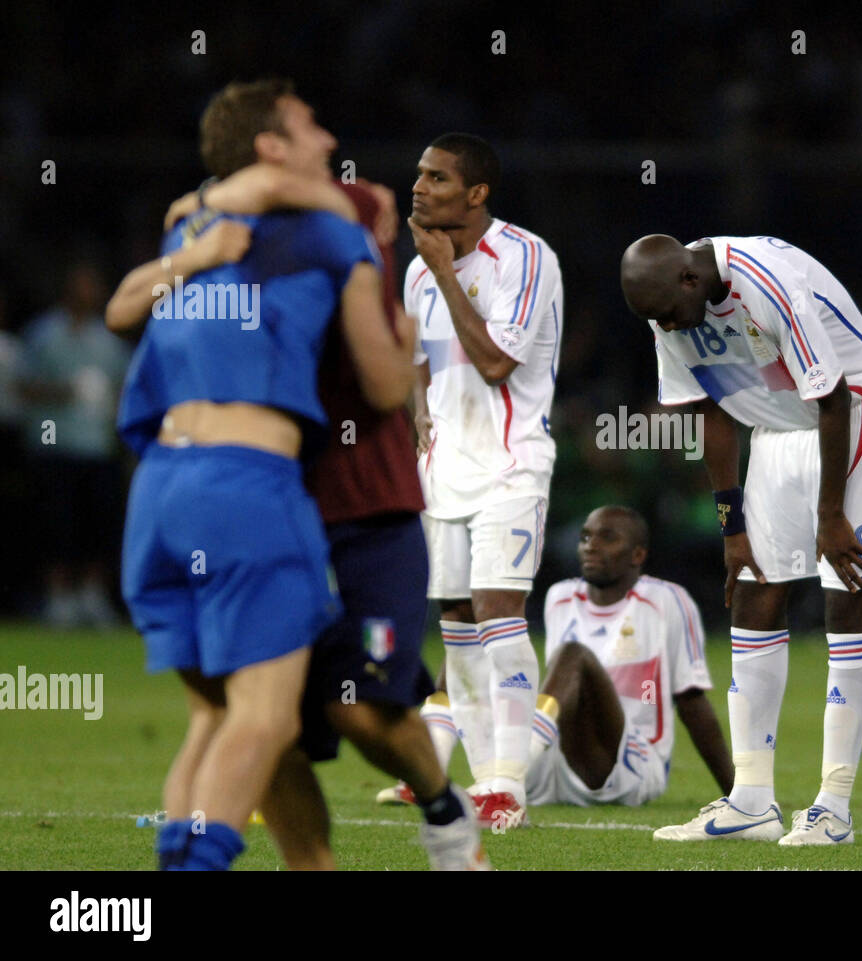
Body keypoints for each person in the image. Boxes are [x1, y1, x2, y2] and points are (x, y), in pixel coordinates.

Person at [106, 79, 477, 870]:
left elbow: (120, 307)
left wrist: (195, 235)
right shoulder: (335, 227)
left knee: (215, 718)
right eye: (309, 126)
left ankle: (434, 820)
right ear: (273, 147)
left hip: (159, 491)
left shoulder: (200, 224)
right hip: (248, 489)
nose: (326, 138)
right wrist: (403, 328)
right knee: (266, 722)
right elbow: (382, 388)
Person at [619, 233, 862, 845]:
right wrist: (732, 528)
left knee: (845, 592)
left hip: (856, 413)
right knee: (753, 590)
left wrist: (831, 516)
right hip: (773, 429)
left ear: (690, 281)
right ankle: (750, 800)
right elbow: (709, 410)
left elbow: (831, 398)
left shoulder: (769, 282)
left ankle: (833, 809)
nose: (665, 327)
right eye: (655, 320)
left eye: (668, 314)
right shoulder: (666, 306)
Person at [403, 133, 563, 828]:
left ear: (476, 194)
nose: (418, 187)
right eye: (418, 175)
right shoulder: (415, 272)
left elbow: (497, 362)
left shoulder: (525, 258)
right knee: (456, 624)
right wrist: (419, 424)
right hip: (443, 471)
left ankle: (508, 783)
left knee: (499, 612)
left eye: (437, 178)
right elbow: (417, 359)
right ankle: (476, 779)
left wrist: (444, 273)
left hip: (511, 462)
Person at [386, 505, 732, 809]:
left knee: (573, 655)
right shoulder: (560, 597)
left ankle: (509, 780)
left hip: (628, 764)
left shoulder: (666, 600)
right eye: (585, 537)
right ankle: (426, 777)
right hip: (550, 755)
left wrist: (735, 791)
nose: (590, 546)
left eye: (607, 538)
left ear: (637, 555)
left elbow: (690, 699)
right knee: (470, 642)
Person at [19, 260, 131, 627]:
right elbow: (23, 387)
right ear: (69, 289)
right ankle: (59, 598)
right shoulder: (43, 334)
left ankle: (92, 597)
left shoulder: (109, 341)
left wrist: (110, 403)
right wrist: (67, 390)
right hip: (54, 443)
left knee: (98, 524)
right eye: (83, 285)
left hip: (96, 447)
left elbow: (122, 392)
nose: (90, 293)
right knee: (57, 525)